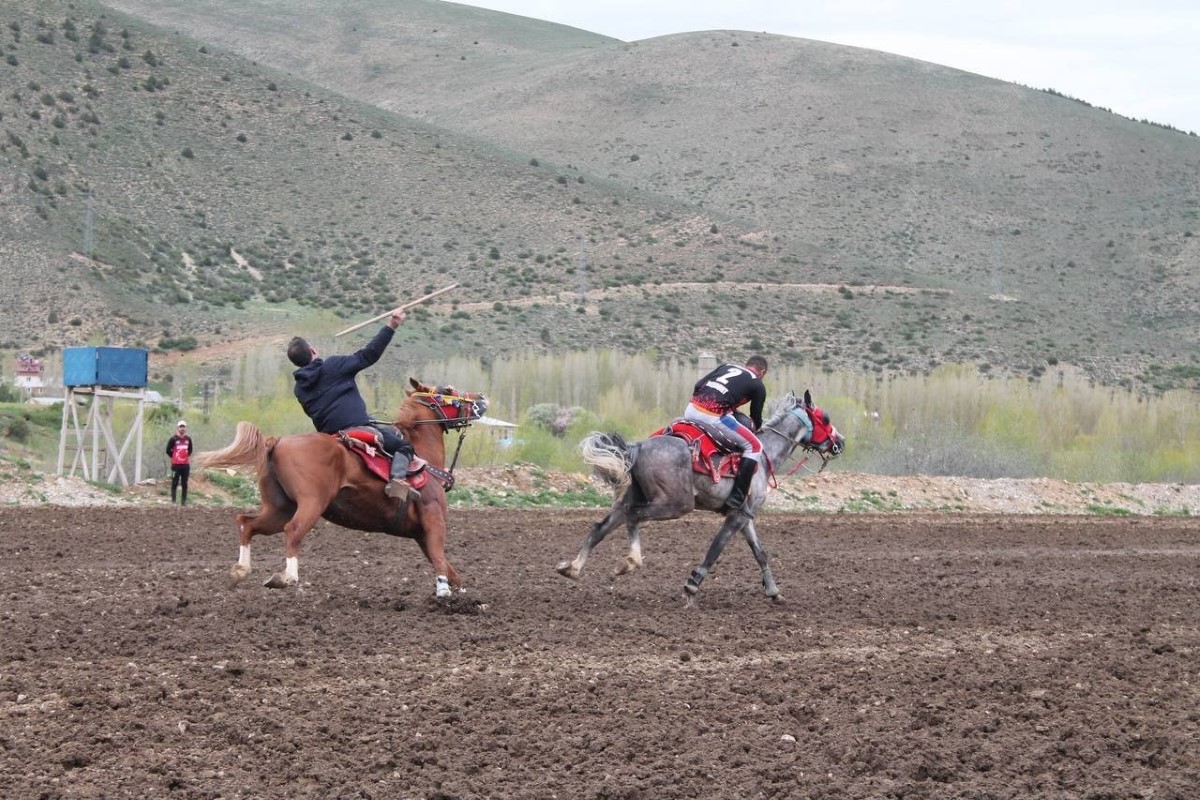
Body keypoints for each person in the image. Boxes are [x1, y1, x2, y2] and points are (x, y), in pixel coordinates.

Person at [286, 309, 418, 502]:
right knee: (404, 446)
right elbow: (368, 355)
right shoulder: (332, 366)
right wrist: (392, 326)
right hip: (357, 428)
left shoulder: (299, 389)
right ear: (313, 350)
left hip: (330, 435)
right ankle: (397, 480)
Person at [684, 355, 769, 514]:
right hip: (713, 416)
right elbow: (756, 419)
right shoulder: (758, 384)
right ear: (762, 372)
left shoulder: (727, 366)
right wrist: (753, 426)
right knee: (755, 446)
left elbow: (698, 385)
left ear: (746, 365)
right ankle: (737, 497)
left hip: (690, 409)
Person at [166, 420, 193, 506]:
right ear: (178, 428)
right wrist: (174, 457)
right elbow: (167, 450)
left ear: (185, 428)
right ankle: (173, 501)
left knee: (184, 483)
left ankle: (183, 502)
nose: (182, 428)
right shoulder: (173, 439)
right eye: (181, 427)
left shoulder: (188, 439)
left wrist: (185, 456)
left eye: (183, 427)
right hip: (176, 465)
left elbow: (190, 449)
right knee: (175, 482)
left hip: (185, 465)